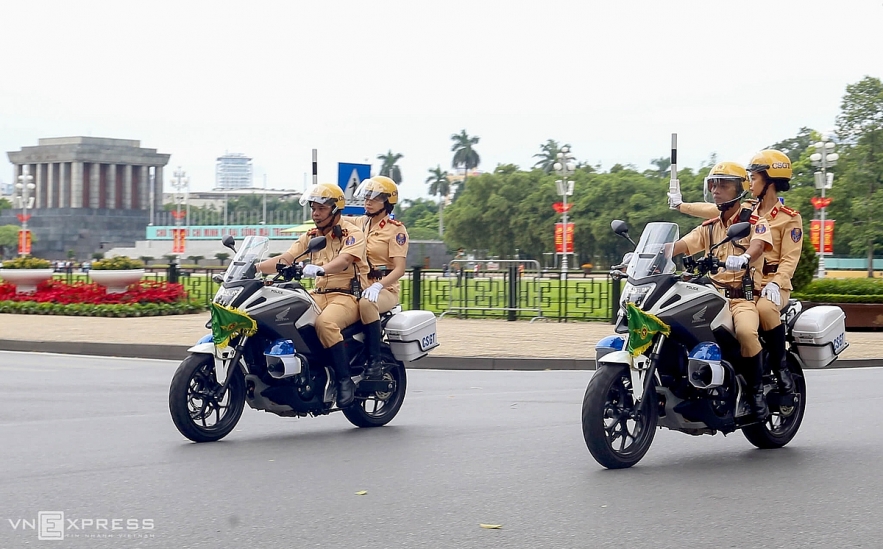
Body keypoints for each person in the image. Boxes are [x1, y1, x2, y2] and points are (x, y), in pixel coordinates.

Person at [668, 150, 801, 393]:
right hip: (737, 282)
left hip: (769, 284)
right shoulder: (746, 208)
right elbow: (712, 211)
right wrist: (680, 206)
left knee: (763, 310)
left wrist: (775, 282)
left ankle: (779, 370)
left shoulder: (787, 219)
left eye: (755, 177)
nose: (751, 182)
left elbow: (789, 259)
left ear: (770, 181)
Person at [671, 161, 773, 419]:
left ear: (739, 189)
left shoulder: (754, 222)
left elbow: (759, 245)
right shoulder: (710, 227)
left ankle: (756, 392)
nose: (716, 190)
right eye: (713, 184)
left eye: (724, 185)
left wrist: (745, 257)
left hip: (741, 299)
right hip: (712, 295)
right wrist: (643, 254)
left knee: (747, 332)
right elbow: (681, 245)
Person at [257, 183, 369, 408]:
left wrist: (322, 269)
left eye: (321, 209)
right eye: (313, 208)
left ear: (335, 210)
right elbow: (286, 258)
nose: (315, 213)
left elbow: (345, 260)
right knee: (288, 313)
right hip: (318, 294)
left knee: (325, 323)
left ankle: (344, 380)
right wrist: (254, 267)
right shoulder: (311, 236)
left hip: (347, 295)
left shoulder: (352, 234)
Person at [352, 176, 410, 378]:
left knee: (367, 303)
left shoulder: (396, 230)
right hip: (357, 286)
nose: (368, 201)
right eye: (367, 196)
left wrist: (378, 287)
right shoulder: (360, 223)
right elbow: (336, 222)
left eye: (374, 198)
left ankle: (374, 360)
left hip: (384, 289)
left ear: (386, 203)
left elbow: (399, 269)